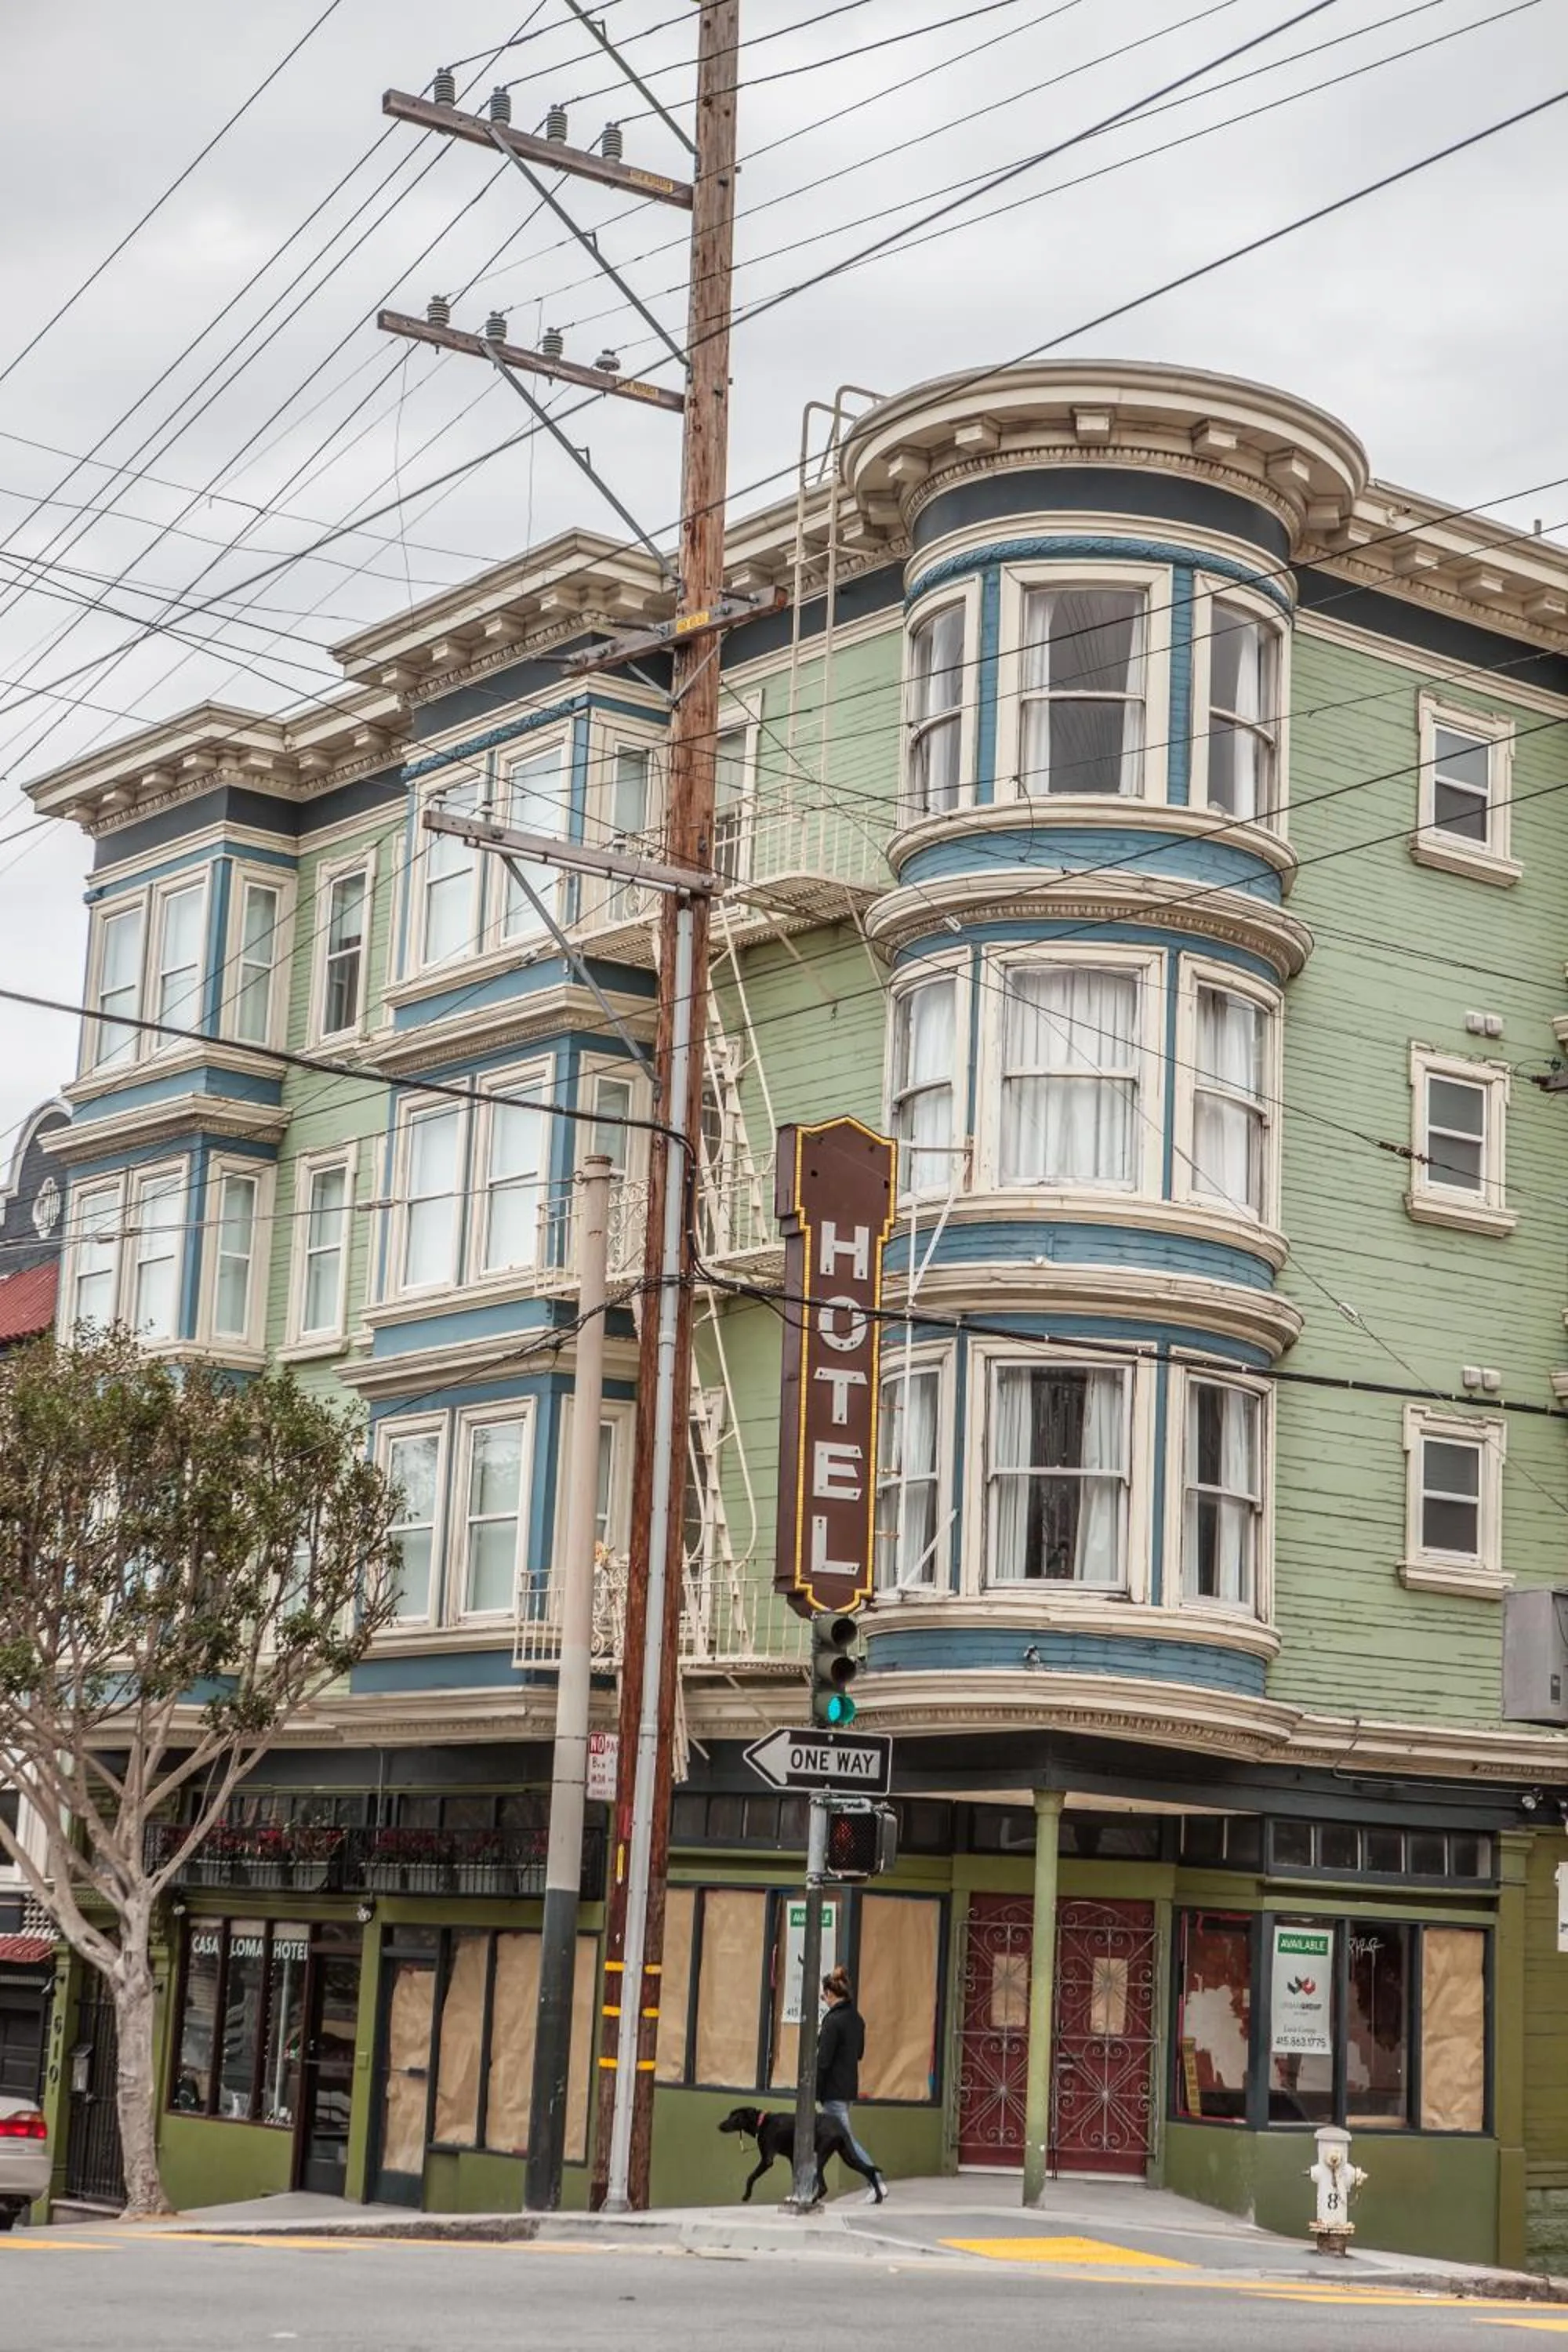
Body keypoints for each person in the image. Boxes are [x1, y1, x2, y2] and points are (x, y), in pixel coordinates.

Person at [815, 1965, 887, 2205]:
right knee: (828, 2141)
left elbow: (823, 2061)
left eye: (823, 1995)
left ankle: (875, 2180)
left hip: (832, 2091)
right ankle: (812, 2184)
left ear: (831, 1993)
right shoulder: (857, 2019)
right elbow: (858, 2053)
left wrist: (816, 2091)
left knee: (846, 2140)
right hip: (847, 2089)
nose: (823, 2000)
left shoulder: (832, 2022)